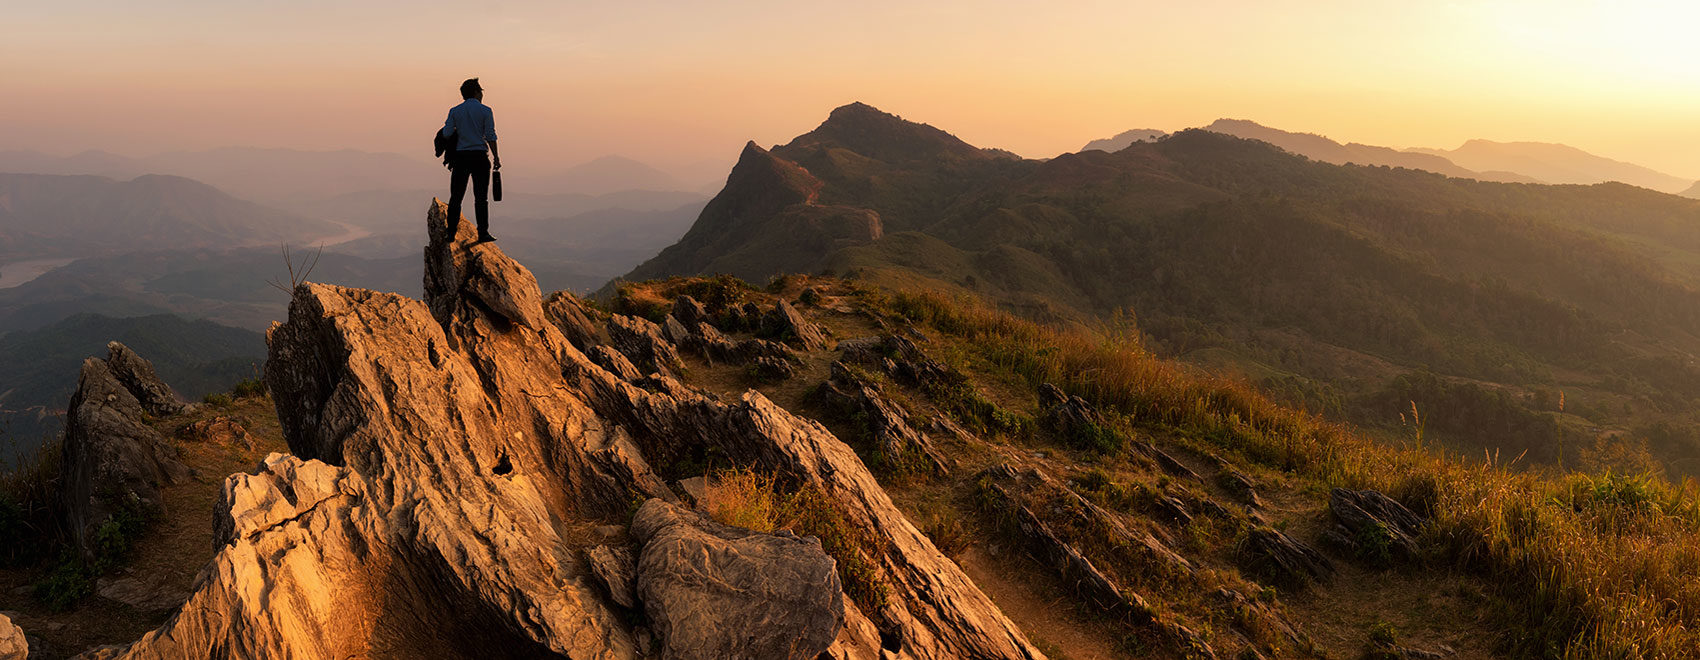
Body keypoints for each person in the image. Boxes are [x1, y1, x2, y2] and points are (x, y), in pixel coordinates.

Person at [442, 78, 500, 242]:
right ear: (476, 92)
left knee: (456, 196)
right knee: (481, 198)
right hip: (480, 157)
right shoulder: (486, 111)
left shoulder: (454, 111)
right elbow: (490, 135)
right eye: (480, 91)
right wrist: (496, 157)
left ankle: (451, 233)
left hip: (461, 158)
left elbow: (446, 133)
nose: (482, 94)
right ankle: (483, 233)